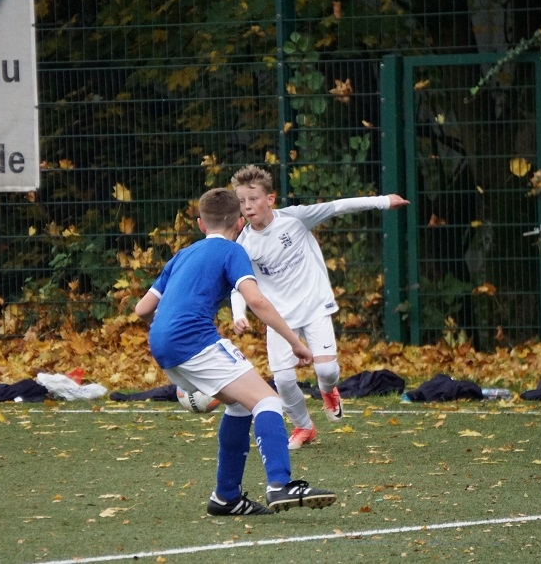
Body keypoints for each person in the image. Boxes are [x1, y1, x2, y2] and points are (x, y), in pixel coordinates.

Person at [135, 187, 337, 515]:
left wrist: (169, 331)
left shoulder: (182, 254)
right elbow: (256, 300)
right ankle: (280, 484)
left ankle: (226, 497)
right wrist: (295, 343)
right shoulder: (233, 251)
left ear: (201, 224)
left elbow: (142, 309)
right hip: (193, 340)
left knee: (242, 407)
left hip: (160, 343)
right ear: (240, 222)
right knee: (268, 401)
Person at [230, 165, 410, 449]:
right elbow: (238, 284)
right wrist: (238, 314)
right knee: (284, 381)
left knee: (326, 372)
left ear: (270, 199)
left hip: (314, 306)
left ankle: (328, 391)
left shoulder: (295, 218)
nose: (247, 206)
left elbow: (338, 206)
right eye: (241, 201)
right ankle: (304, 427)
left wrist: (384, 201)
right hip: (279, 318)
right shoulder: (243, 244)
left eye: (253, 199)